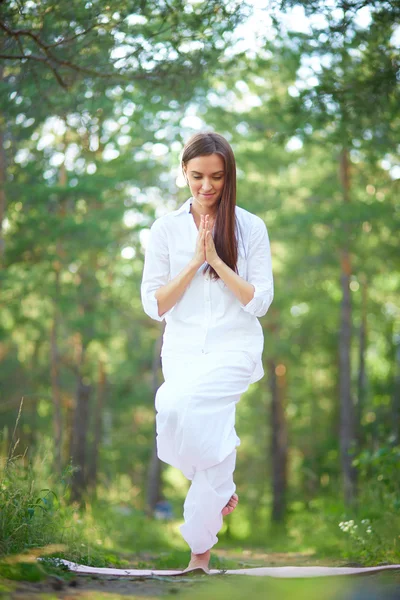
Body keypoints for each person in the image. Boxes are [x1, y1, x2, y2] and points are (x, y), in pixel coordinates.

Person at [140, 131, 274, 573]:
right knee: (177, 416)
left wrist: (216, 260)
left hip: (235, 351)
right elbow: (155, 304)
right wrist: (194, 262)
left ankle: (201, 543)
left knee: (179, 405)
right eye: (197, 176)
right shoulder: (164, 229)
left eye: (216, 176)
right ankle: (212, 508)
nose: (206, 186)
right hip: (182, 353)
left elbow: (259, 301)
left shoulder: (250, 227)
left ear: (228, 175)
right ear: (183, 173)